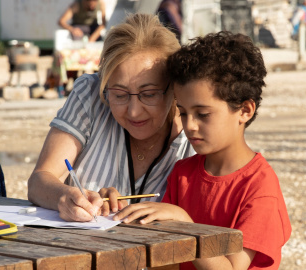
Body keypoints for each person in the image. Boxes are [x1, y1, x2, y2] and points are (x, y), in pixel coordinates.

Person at [114, 31, 292, 270]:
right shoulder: (183, 173)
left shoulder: (260, 188)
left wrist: (185, 226)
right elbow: (166, 262)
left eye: (203, 114)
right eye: (183, 112)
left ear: (245, 110)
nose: (189, 125)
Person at [28, 13, 195, 222]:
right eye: (119, 94)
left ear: (174, 89)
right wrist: (66, 197)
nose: (133, 112)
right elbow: (39, 182)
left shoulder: (195, 130)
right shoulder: (90, 94)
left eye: (149, 94)